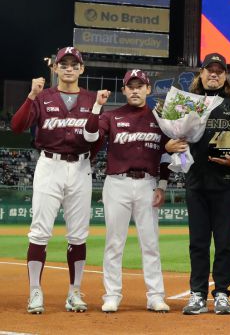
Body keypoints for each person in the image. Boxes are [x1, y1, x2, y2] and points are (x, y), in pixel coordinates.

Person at [83, 69, 188, 313]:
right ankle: (112, 295)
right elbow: (90, 136)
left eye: (140, 86)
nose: (135, 90)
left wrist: (162, 185)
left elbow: (166, 155)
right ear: (124, 90)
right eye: (130, 86)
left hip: (147, 184)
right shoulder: (111, 116)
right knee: (114, 242)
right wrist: (97, 107)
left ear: (148, 89)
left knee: (150, 243)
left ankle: (155, 296)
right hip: (116, 183)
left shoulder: (160, 118)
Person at [11, 47, 99, 314]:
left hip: (80, 166)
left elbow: (98, 139)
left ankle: (75, 292)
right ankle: (35, 291)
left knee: (78, 234)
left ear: (82, 69)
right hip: (50, 165)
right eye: (64, 64)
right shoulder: (42, 97)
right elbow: (17, 126)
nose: (69, 68)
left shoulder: (92, 98)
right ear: (55, 68)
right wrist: (31, 96)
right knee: (39, 232)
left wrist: (88, 159)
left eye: (74, 64)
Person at [182, 53, 230, 315]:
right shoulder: (188, 103)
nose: (214, 74)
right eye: (209, 70)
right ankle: (198, 294)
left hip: (226, 182)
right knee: (198, 242)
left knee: (224, 242)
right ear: (201, 73)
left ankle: (222, 292)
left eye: (219, 71)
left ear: (225, 76)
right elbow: (176, 136)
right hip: (196, 181)